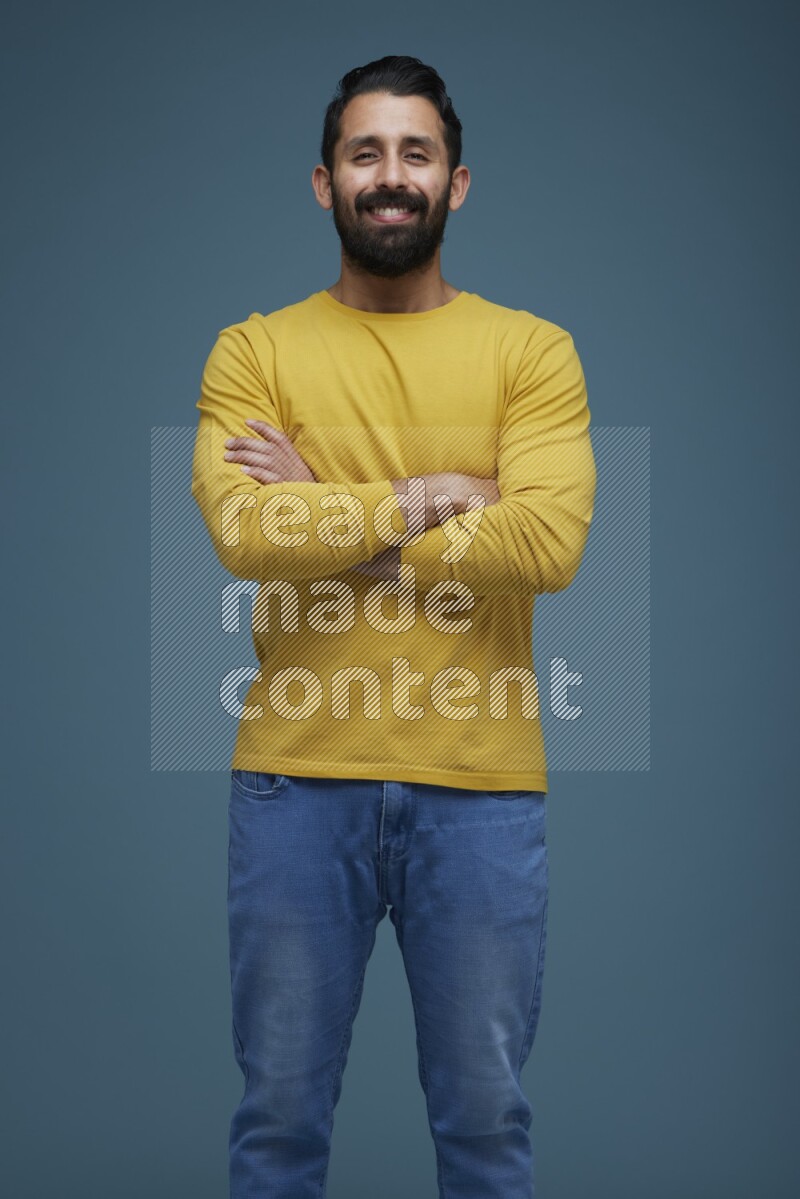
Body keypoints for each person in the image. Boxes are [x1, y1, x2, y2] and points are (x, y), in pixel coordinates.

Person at [191, 53, 596, 1199]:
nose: (389, 174)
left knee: (484, 1124)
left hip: (479, 785)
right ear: (324, 181)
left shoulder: (530, 351)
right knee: (277, 1121)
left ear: (453, 182)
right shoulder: (254, 350)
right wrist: (443, 493)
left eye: (414, 153)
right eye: (363, 152)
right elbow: (244, 531)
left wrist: (332, 512)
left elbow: (545, 545)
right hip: (293, 781)